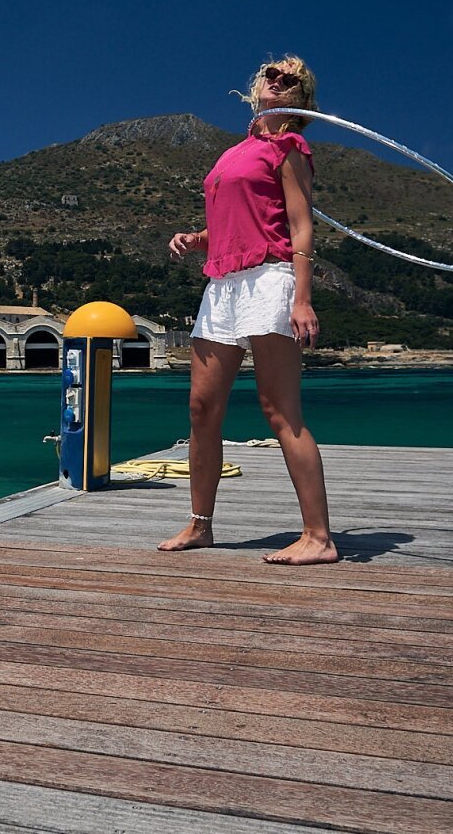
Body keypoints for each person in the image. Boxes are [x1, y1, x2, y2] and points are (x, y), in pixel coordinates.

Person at [158, 54, 338, 565]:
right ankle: (201, 525)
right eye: (271, 76)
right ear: (257, 87)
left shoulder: (290, 146)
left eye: (290, 81)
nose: (276, 83)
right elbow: (244, 219)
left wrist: (301, 298)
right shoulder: (235, 152)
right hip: (222, 284)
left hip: (270, 279)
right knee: (201, 409)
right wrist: (198, 239)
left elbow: (300, 228)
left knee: (279, 410)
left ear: (301, 101)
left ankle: (319, 537)